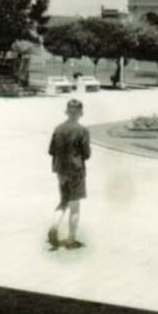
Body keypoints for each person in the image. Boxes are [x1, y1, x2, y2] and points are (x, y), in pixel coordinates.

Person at [48, 98, 91, 250]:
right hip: (76, 171)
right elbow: (86, 154)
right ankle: (71, 239)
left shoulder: (58, 128)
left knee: (63, 201)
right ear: (81, 113)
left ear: (67, 112)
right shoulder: (82, 131)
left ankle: (54, 226)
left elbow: (51, 151)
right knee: (75, 206)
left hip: (61, 170)